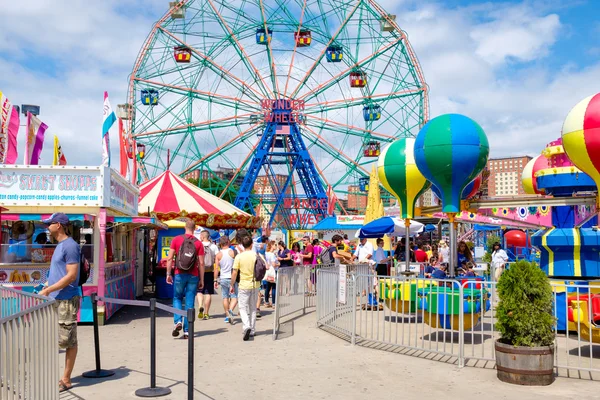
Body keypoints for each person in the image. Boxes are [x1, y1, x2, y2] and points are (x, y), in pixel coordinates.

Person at [38, 213, 80, 393]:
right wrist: (46, 285)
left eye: (50, 224)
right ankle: (61, 376)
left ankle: (66, 379)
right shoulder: (60, 246)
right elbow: (59, 272)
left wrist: (48, 290)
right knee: (57, 338)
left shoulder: (70, 246)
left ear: (59, 226)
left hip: (66, 299)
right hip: (56, 298)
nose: (47, 227)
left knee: (68, 340)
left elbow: (71, 275)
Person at [166, 218, 204, 339]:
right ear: (195, 229)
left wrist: (168, 273)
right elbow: (202, 263)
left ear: (185, 227)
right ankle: (187, 331)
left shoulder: (177, 240)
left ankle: (177, 321)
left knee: (177, 297)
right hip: (193, 275)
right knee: (189, 302)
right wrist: (202, 279)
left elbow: (169, 258)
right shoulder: (198, 243)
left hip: (179, 273)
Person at [230, 235, 262, 341]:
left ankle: (246, 326)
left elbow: (234, 272)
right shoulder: (256, 255)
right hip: (255, 284)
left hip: (243, 284)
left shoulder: (239, 257)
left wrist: (232, 284)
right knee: (253, 307)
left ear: (242, 245)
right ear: (252, 244)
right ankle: (252, 330)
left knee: (242, 307)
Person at [214, 236, 237, 324]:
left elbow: (216, 268)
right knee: (234, 297)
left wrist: (215, 280)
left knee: (225, 297)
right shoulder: (232, 252)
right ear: (228, 242)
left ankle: (227, 316)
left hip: (223, 277)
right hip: (232, 277)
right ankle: (231, 310)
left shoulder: (218, 254)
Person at [197, 230, 218, 320]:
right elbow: (217, 259)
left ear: (202, 236)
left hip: (199, 271)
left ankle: (200, 305)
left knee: (199, 291)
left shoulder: (198, 245)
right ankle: (206, 313)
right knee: (208, 292)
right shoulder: (214, 246)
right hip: (210, 271)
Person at [264, 241, 278, 307]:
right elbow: (273, 264)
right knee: (274, 287)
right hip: (273, 271)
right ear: (271, 245)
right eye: (275, 245)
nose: (276, 246)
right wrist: (278, 264)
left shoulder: (266, 253)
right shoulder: (272, 254)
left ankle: (266, 301)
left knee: (268, 287)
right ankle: (273, 303)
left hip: (268, 271)